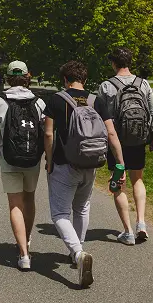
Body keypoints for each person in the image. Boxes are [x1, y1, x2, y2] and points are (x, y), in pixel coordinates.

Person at [44, 60, 125, 288]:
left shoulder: (56, 100)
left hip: (64, 164)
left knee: (60, 214)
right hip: (91, 164)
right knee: (82, 207)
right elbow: (111, 133)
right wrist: (120, 164)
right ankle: (77, 249)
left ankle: (78, 254)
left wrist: (49, 161)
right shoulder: (96, 100)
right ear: (85, 79)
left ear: (64, 79)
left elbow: (49, 135)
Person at [0, 61, 46, 272]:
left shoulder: (1, 101)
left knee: (15, 204)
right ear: (28, 75)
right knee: (29, 198)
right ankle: (26, 240)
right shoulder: (38, 102)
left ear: (8, 77)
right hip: (33, 159)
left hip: (9, 160)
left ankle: (23, 255)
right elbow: (46, 129)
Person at [98, 47, 153, 245]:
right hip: (138, 140)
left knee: (118, 184)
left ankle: (127, 231)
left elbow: (102, 119)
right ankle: (141, 223)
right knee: (138, 179)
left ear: (113, 63)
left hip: (116, 142)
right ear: (129, 62)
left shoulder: (106, 86)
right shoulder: (143, 84)